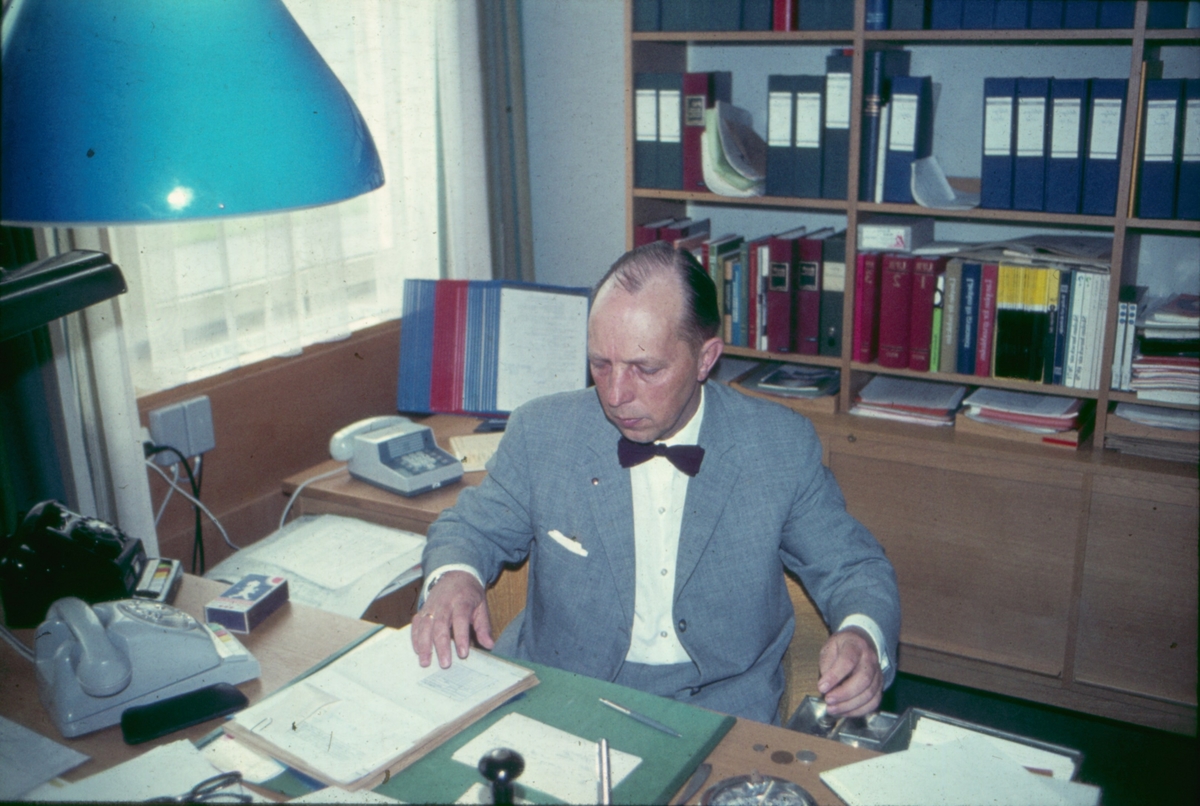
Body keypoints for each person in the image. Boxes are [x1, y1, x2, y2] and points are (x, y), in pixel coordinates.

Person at [411, 241, 900, 724]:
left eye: (646, 369)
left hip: (721, 709)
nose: (617, 394)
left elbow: (853, 566)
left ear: (706, 358)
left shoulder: (777, 446)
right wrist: (456, 576)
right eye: (601, 363)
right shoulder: (544, 433)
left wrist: (861, 636)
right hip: (564, 694)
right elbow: (470, 528)